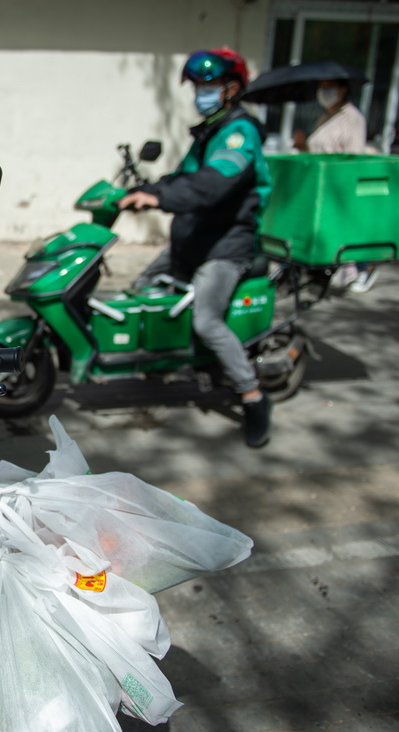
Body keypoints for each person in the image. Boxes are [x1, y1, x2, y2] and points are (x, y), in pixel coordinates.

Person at [118, 48, 273, 448]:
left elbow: (212, 183)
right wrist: (144, 191)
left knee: (207, 320)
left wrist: (159, 200)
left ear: (231, 89)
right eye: (198, 86)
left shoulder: (239, 133)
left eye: (209, 85)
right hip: (193, 239)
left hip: (225, 246)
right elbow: (181, 177)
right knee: (142, 286)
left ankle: (253, 396)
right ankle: (163, 356)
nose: (201, 93)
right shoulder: (209, 131)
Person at [293, 78, 377, 292]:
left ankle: (364, 269)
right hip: (320, 185)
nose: (324, 92)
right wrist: (302, 145)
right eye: (321, 87)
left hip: (338, 185)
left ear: (343, 90)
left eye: (329, 87)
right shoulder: (325, 116)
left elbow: (353, 158)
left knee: (348, 232)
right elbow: (317, 152)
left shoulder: (352, 118)